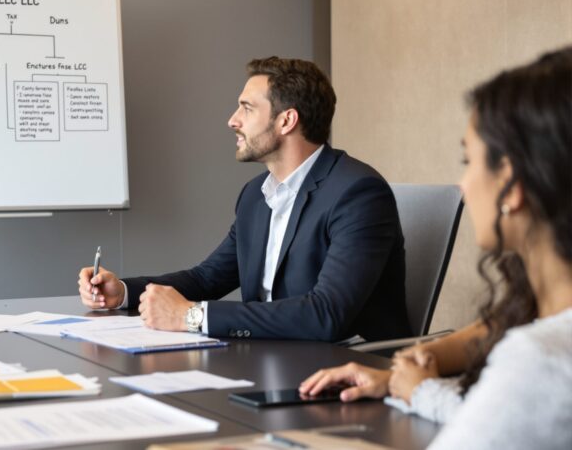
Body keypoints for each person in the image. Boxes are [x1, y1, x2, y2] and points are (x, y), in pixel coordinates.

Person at [300, 47, 572, 449]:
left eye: (469, 160)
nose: (463, 185)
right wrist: (408, 384)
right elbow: (509, 419)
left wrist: (420, 388)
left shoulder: (539, 363)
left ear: (512, 186)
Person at [78, 57, 410, 341]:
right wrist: (122, 291)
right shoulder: (256, 194)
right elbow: (207, 278)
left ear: (286, 120)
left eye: (247, 109)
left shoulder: (358, 194)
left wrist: (192, 316)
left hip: (349, 368)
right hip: (273, 356)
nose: (233, 120)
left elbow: (326, 314)